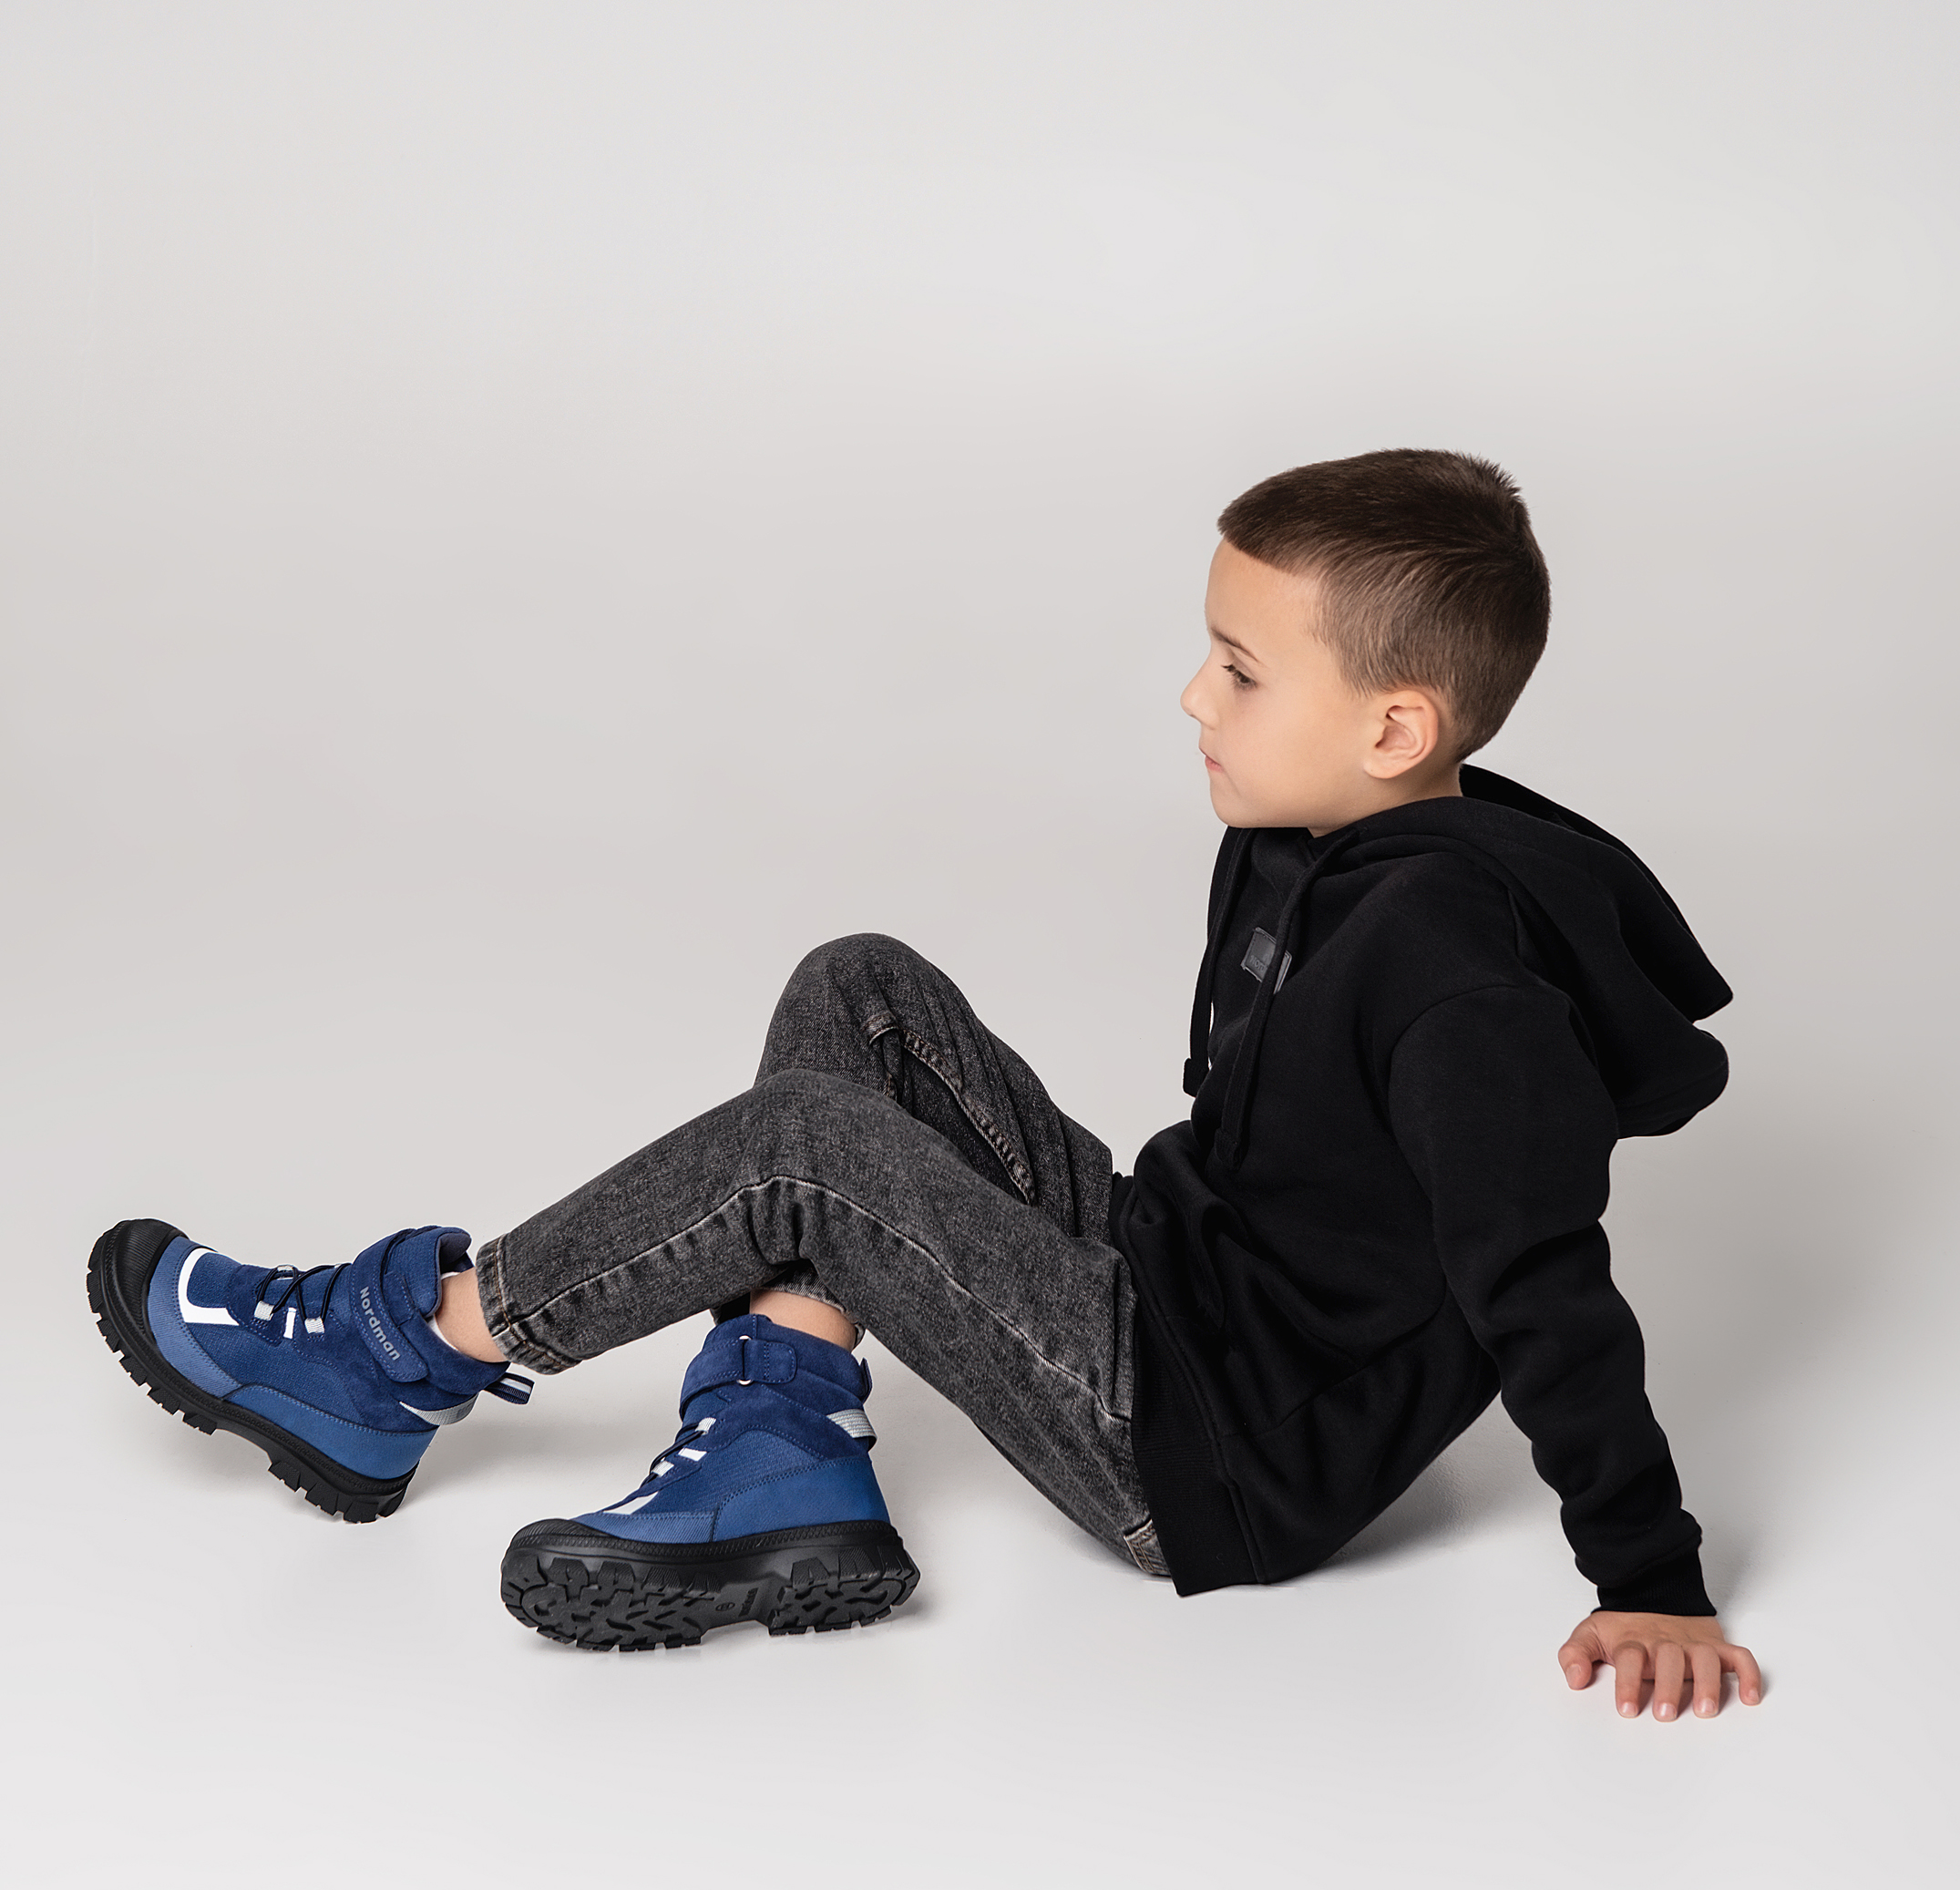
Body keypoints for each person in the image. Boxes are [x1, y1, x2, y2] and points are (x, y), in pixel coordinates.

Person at [87, 447, 1762, 1718]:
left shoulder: (1462, 985)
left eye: (1244, 672)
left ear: (1395, 730)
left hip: (1207, 1448)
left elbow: (1544, 1282)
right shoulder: (1327, 830)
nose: (1194, 692)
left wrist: (1653, 1577)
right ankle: (783, 1452)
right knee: (863, 991)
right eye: (1211, 651)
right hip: (1176, 1280)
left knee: (807, 1148)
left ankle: (401, 1356)